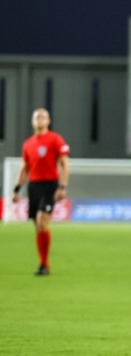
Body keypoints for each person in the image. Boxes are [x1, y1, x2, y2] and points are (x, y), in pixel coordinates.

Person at [11, 108, 70, 276]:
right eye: (37, 117)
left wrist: (63, 186)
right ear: (32, 121)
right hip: (34, 186)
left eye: (43, 116)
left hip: (50, 185)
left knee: (41, 221)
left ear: (49, 120)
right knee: (37, 226)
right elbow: (25, 168)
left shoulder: (55, 139)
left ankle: (44, 265)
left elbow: (65, 164)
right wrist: (16, 189)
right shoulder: (28, 143)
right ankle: (43, 263)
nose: (40, 119)